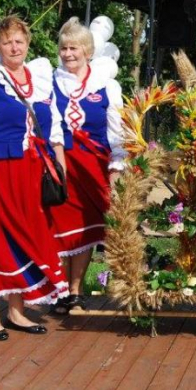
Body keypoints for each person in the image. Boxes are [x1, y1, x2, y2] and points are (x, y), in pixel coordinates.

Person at [0, 16, 69, 341]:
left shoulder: (41, 81)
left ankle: (17, 312)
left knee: (27, 236)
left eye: (19, 41)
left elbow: (55, 127)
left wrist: (60, 171)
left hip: (32, 173)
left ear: (28, 43)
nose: (14, 47)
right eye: (7, 42)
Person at [49, 17, 126, 314]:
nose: (68, 54)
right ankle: (58, 290)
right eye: (64, 48)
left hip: (93, 166)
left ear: (89, 51)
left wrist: (117, 169)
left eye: (74, 48)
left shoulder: (107, 86)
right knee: (58, 227)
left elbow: (117, 131)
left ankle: (75, 290)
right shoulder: (50, 82)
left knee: (85, 229)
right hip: (59, 165)